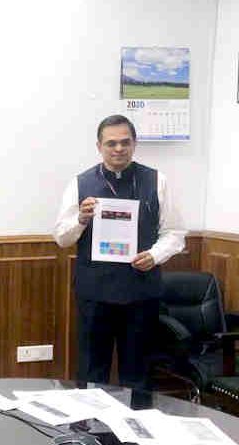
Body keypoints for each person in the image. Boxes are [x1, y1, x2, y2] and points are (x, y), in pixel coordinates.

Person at [53, 114, 185, 390]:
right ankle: (89, 430)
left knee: (138, 373)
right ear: (99, 146)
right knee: (91, 371)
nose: (118, 149)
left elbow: (174, 233)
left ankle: (137, 431)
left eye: (125, 142)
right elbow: (62, 239)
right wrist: (81, 218)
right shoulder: (80, 183)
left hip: (141, 292)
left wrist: (155, 255)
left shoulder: (157, 180)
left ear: (135, 144)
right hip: (94, 294)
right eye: (111, 143)